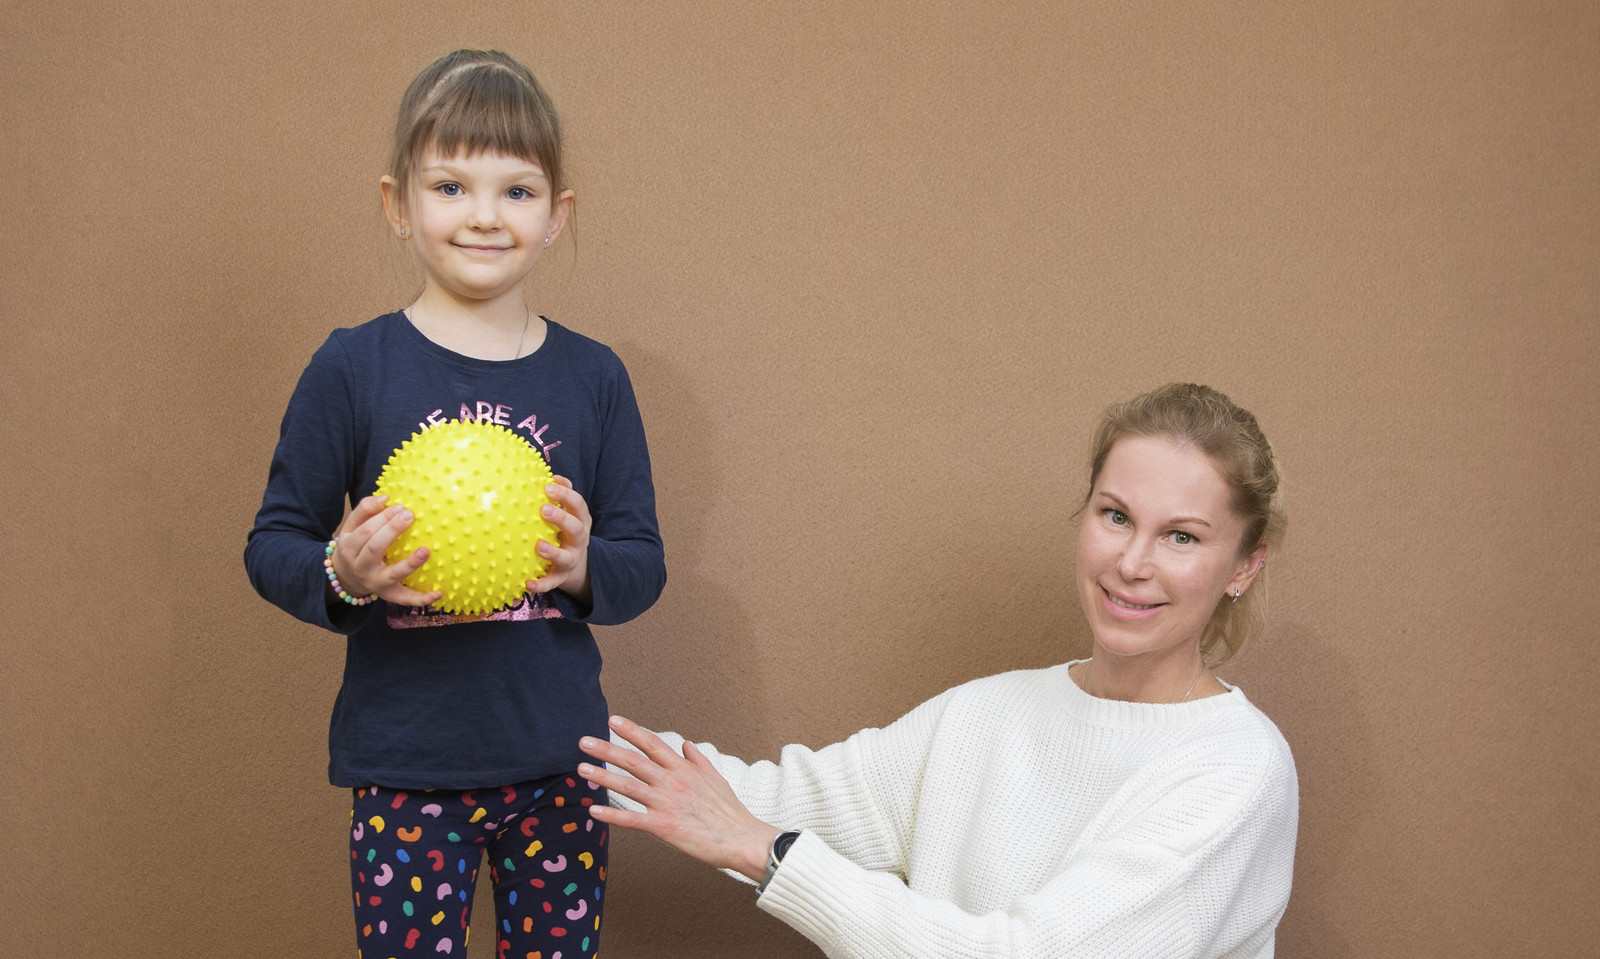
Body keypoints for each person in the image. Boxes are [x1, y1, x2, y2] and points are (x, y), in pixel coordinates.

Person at [579, 383, 1296, 957]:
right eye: (1115, 515)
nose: (1133, 563)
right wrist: (555, 734)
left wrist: (772, 854)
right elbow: (783, 801)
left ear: (1245, 562)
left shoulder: (1235, 768)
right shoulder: (987, 713)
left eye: (1181, 536)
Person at [244, 49, 664, 959]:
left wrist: (589, 566)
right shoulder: (352, 367)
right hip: (406, 768)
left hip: (560, 762)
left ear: (557, 216)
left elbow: (643, 560)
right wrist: (342, 572)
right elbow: (274, 540)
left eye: (517, 191)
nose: (483, 215)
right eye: (450, 184)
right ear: (399, 205)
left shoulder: (595, 378)